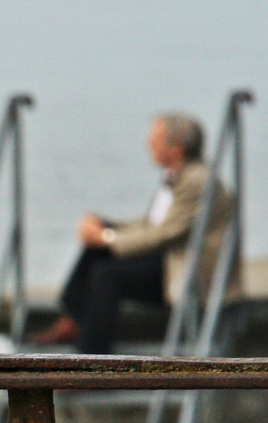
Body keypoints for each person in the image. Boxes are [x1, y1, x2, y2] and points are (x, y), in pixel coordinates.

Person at [31, 112, 233, 354]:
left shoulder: (196, 181)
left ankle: (92, 359)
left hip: (186, 274)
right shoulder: (180, 175)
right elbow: (153, 224)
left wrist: (107, 237)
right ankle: (75, 321)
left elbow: (165, 233)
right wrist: (106, 228)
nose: (148, 144)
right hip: (170, 259)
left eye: (155, 139)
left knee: (107, 275)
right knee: (97, 250)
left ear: (176, 148)